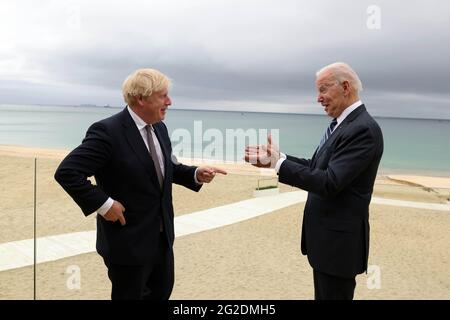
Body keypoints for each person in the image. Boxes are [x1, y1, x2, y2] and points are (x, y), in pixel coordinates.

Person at [54, 68, 227, 300]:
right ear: (141, 98)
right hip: (127, 244)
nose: (170, 101)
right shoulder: (107, 131)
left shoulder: (160, 127)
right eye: (163, 96)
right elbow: (68, 172)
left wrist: (195, 173)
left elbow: (164, 168)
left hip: (162, 240)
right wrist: (105, 206)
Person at [245, 62, 383, 300]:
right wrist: (279, 159)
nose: (318, 98)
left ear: (346, 87)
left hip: (339, 247)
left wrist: (279, 165)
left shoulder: (362, 129)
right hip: (326, 243)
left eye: (323, 89)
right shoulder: (343, 125)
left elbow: (329, 182)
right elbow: (316, 166)